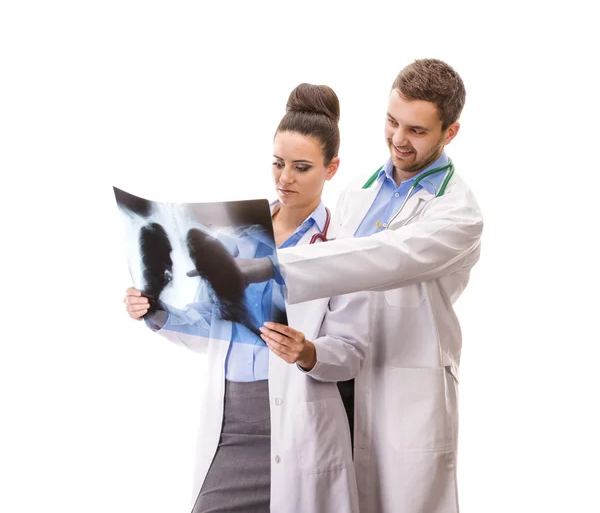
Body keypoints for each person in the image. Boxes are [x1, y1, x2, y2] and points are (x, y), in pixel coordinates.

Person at [238, 59, 483, 513]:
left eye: (417, 130)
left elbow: (380, 259)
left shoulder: (458, 215)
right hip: (335, 379)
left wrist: (271, 267)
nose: (398, 139)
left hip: (405, 388)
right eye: (392, 121)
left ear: (450, 133)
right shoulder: (357, 192)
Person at [123, 83, 369, 513]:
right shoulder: (237, 234)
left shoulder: (342, 245)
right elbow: (211, 322)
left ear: (332, 169)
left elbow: (352, 352)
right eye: (277, 163)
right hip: (232, 421)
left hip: (299, 423)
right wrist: (158, 310)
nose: (285, 178)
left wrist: (307, 350)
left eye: (302, 167)